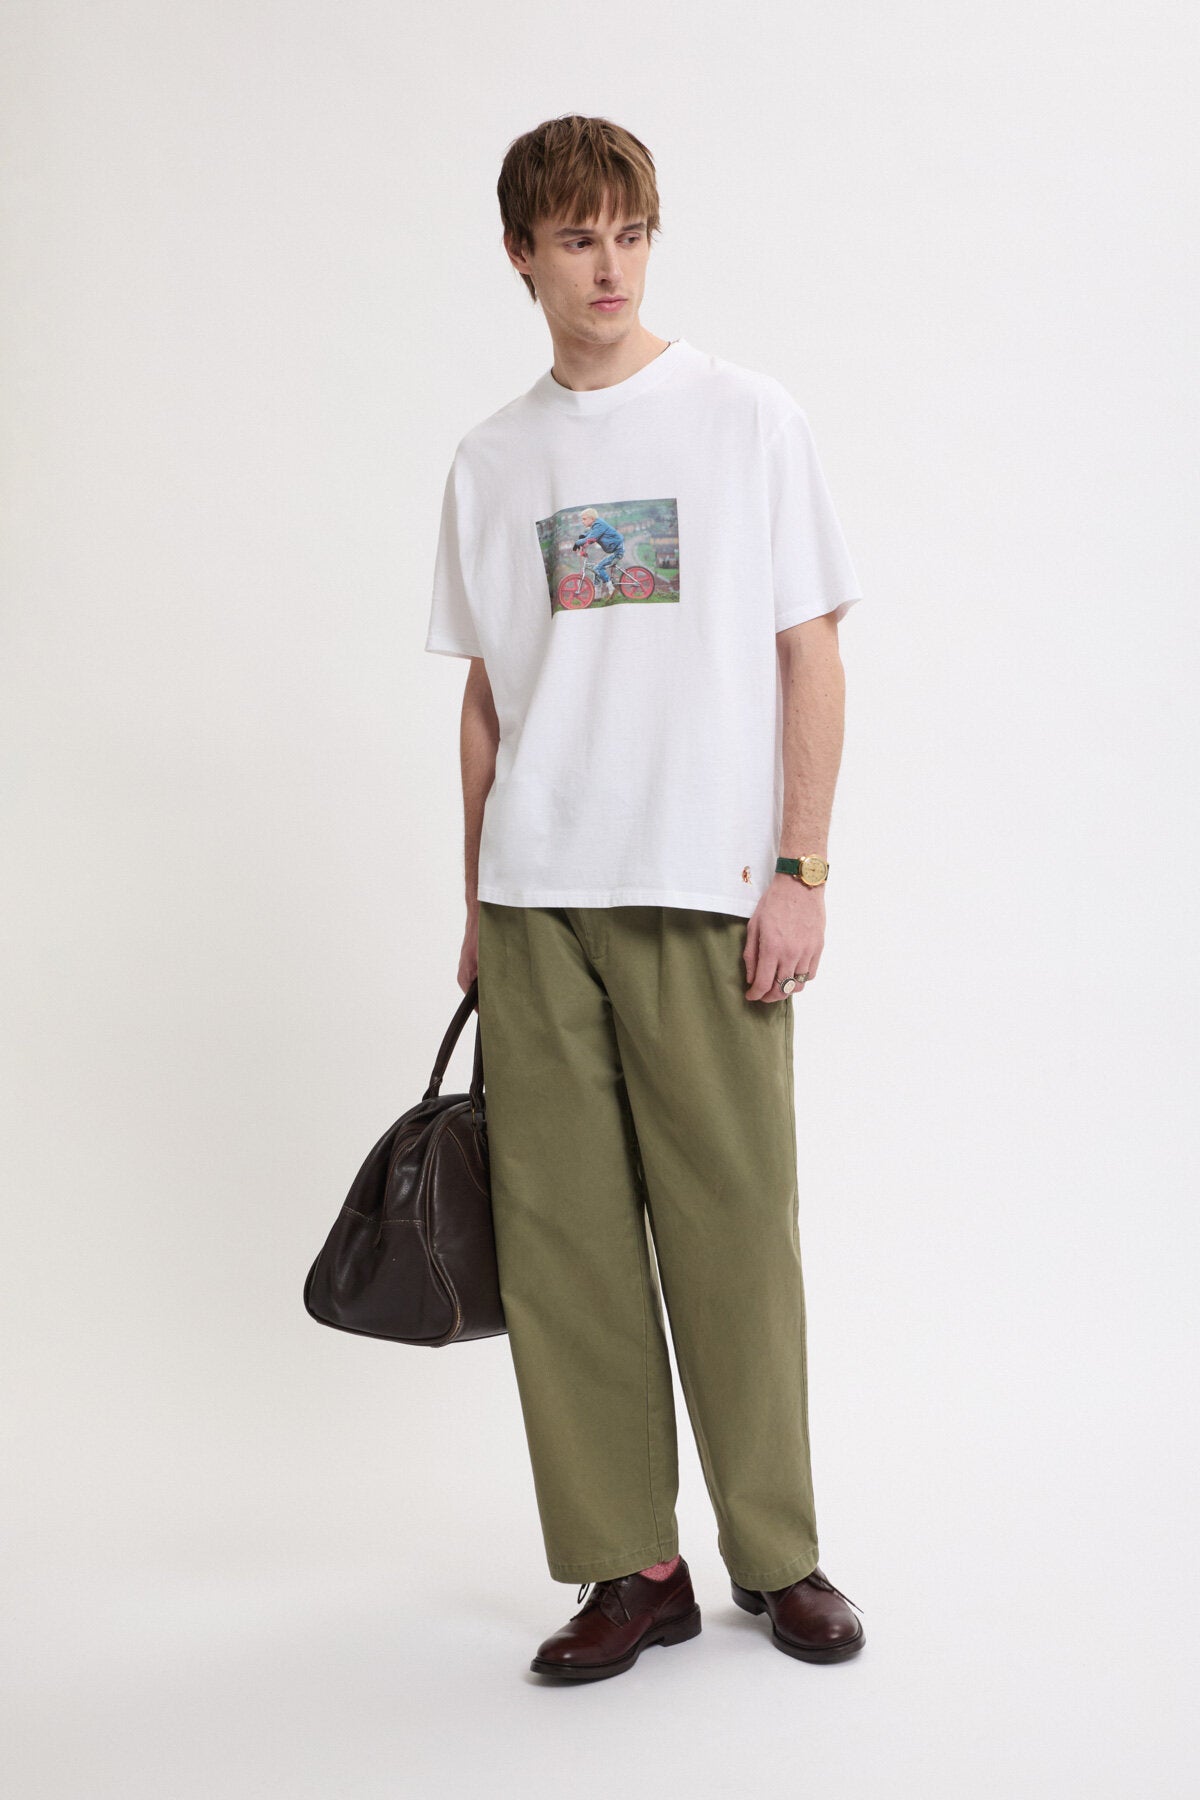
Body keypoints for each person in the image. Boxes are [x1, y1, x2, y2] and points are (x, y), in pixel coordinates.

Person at [423, 113, 867, 1682]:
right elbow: (488, 698)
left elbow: (810, 653)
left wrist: (800, 868)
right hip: (538, 900)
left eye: (629, 232)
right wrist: (476, 896)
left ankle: (779, 1556)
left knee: (735, 1230)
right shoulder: (492, 460)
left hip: (703, 887)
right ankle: (635, 1567)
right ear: (521, 255)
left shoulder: (746, 419)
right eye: (575, 238)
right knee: (564, 1251)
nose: (608, 267)